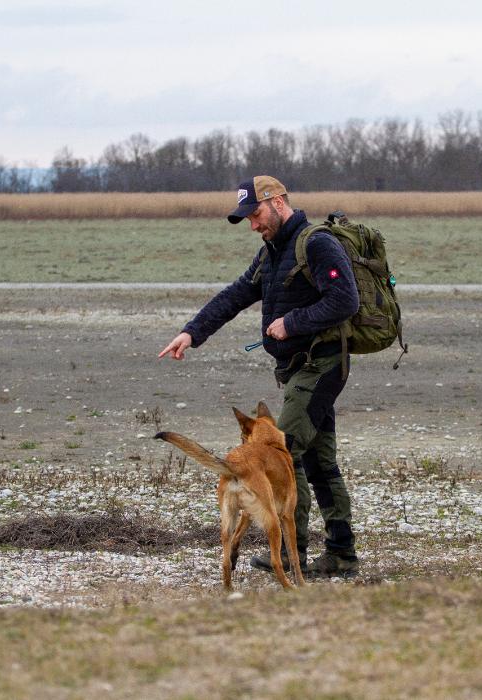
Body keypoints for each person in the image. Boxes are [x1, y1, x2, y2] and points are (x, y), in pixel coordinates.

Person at [159, 175, 361, 577]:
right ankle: (341, 553)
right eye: (248, 218)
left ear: (278, 202)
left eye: (255, 214)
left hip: (320, 365)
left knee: (283, 454)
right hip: (297, 370)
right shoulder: (272, 252)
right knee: (321, 461)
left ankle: (291, 554)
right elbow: (236, 295)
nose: (253, 225)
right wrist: (192, 332)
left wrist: (292, 323)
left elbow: (346, 299)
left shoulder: (317, 244)